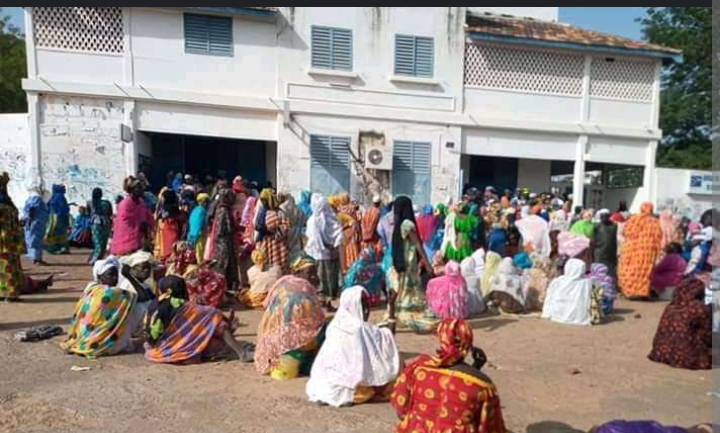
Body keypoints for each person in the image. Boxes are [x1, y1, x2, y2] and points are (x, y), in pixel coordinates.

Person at [391, 318, 507, 433]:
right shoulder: (483, 385)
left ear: (441, 338)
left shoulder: (418, 370)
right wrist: (476, 370)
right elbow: (492, 427)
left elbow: (401, 411)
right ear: (468, 342)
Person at [306, 286, 399, 407]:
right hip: (351, 387)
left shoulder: (334, 325)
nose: (366, 311)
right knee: (395, 363)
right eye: (362, 306)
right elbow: (389, 335)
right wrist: (391, 306)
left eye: (367, 306)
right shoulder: (360, 328)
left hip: (323, 384)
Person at [145, 275, 253, 364]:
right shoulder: (182, 305)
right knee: (215, 319)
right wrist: (225, 322)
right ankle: (242, 353)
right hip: (169, 350)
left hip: (155, 350)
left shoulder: (155, 303)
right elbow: (212, 314)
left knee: (205, 324)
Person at [254, 256, 327, 378]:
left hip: (272, 346)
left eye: (315, 273)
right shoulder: (304, 288)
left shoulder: (283, 282)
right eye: (310, 273)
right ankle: (307, 363)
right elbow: (315, 322)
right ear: (297, 273)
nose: (314, 277)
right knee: (327, 329)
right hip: (290, 343)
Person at [61, 257, 138, 357]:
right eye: (110, 275)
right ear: (99, 276)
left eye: (116, 275)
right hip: (98, 337)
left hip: (85, 333)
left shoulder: (91, 287)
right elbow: (135, 295)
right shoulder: (112, 292)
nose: (115, 278)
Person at [387, 196, 434, 332]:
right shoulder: (407, 223)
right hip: (409, 262)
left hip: (402, 260)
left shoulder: (400, 223)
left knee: (403, 287)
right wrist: (427, 263)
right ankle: (408, 311)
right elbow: (418, 244)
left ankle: (400, 312)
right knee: (410, 287)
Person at [648, 277, 711, 370]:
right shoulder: (699, 308)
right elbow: (708, 334)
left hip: (661, 353)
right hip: (688, 356)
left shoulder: (671, 307)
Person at [305, 194, 343, 308]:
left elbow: (313, 238)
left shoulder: (313, 220)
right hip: (328, 253)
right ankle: (326, 302)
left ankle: (324, 302)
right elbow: (338, 233)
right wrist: (332, 246)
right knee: (328, 278)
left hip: (319, 254)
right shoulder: (330, 217)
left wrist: (325, 247)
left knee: (321, 278)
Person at [618, 202, 663, 299]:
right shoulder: (654, 222)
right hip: (647, 251)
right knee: (644, 271)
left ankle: (629, 291)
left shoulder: (633, 219)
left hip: (630, 249)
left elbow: (626, 232)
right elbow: (658, 237)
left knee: (629, 269)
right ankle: (641, 292)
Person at [542, 258, 603, 326]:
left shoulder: (558, 281)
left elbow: (550, 298)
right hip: (580, 316)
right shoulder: (586, 282)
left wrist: (547, 313)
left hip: (557, 314)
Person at [0, 172, 27, 300]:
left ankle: (5, 293)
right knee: (9, 266)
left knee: (5, 266)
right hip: (10, 241)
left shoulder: (5, 204)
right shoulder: (8, 204)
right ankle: (9, 293)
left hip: (5, 241)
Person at [206, 188, 240, 290]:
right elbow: (222, 229)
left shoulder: (223, 209)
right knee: (224, 264)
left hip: (225, 242)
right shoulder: (223, 210)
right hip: (223, 243)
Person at [111, 177, 150, 256]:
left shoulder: (141, 203)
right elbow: (124, 225)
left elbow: (146, 217)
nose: (141, 189)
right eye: (139, 188)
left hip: (140, 240)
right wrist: (139, 226)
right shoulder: (125, 204)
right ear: (131, 190)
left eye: (141, 187)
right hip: (126, 243)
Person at [255, 188, 290, 273]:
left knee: (278, 269)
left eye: (265, 200)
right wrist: (262, 230)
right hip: (265, 244)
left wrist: (273, 233)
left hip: (277, 246)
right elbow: (257, 226)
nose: (263, 202)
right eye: (262, 200)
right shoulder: (262, 212)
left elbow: (286, 227)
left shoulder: (279, 212)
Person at [153, 188, 187, 263]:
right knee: (172, 251)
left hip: (165, 230)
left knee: (166, 250)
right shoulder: (174, 209)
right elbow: (180, 218)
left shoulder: (162, 208)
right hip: (173, 230)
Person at [331, 193, 361, 275]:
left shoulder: (339, 210)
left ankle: (346, 265)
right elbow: (356, 221)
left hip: (343, 232)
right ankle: (354, 263)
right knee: (353, 247)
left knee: (345, 249)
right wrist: (358, 232)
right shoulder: (352, 209)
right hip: (352, 231)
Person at [22, 185, 48, 265]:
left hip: (34, 223)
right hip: (36, 223)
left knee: (33, 240)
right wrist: (30, 219)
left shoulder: (29, 199)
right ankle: (37, 259)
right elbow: (32, 210)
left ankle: (36, 258)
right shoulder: (37, 199)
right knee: (36, 240)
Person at [279, 192, 308, 263]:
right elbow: (306, 222)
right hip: (297, 242)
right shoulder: (299, 210)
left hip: (285, 243)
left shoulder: (281, 210)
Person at [87, 187, 113, 265]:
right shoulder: (107, 203)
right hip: (106, 223)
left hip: (95, 223)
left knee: (98, 242)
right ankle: (96, 259)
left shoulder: (89, 202)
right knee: (103, 243)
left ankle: (95, 259)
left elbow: (89, 213)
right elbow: (110, 213)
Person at [45, 184, 71, 254]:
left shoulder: (53, 197)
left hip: (53, 217)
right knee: (61, 233)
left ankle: (53, 248)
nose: (65, 190)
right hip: (60, 217)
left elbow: (48, 206)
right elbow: (63, 208)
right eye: (63, 188)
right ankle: (63, 248)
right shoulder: (61, 197)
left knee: (54, 232)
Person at [592, 209, 618, 278]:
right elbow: (594, 240)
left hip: (610, 254)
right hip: (600, 253)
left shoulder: (614, 226)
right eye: (603, 216)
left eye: (606, 215)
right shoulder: (596, 226)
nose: (604, 217)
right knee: (599, 273)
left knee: (609, 274)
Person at [187, 192, 210, 264]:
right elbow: (199, 224)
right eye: (206, 202)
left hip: (193, 235)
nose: (207, 204)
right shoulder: (202, 211)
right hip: (199, 235)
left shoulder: (195, 210)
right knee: (200, 253)